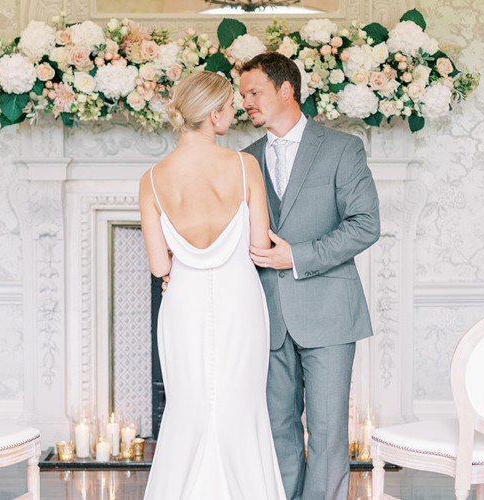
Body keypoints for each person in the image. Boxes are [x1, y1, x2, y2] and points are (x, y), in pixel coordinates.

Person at [139, 70, 287, 500]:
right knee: (240, 408)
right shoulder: (244, 166)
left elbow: (156, 264)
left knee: (188, 408)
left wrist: (179, 268)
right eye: (229, 107)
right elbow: (260, 246)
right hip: (239, 299)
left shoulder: (151, 179)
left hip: (182, 303)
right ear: (215, 117)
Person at [239, 52, 381, 500]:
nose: (246, 102)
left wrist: (295, 257)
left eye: (254, 92)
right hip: (267, 317)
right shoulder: (244, 160)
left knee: (326, 434)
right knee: (276, 430)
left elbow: (365, 224)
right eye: (242, 95)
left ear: (286, 90)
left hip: (329, 315)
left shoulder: (342, 147)